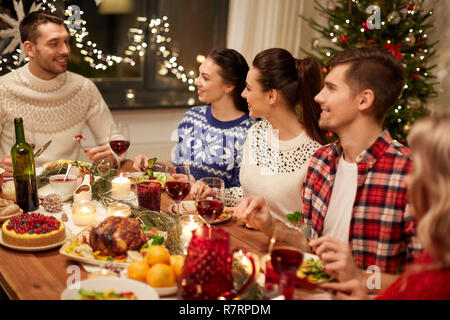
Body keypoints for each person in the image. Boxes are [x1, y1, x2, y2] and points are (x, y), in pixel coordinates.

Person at [233, 47, 423, 290]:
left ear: (363, 100)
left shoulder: (412, 175)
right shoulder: (322, 161)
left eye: (331, 88)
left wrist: (361, 277)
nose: (317, 97)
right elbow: (311, 245)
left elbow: (432, 284)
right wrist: (272, 225)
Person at [319, 114, 450, 300]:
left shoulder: (439, 279)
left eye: (418, 170)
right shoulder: (435, 256)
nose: (408, 179)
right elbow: (406, 286)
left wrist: (362, 278)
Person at [192, 48, 328, 224]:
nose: (243, 94)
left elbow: (314, 231)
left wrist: (270, 227)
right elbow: (255, 192)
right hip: (247, 239)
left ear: (271, 96)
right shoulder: (260, 133)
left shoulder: (316, 156)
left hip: (282, 247)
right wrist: (215, 193)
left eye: (249, 88)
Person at [0, 11, 116, 174]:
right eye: (54, 44)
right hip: (19, 191)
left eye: (66, 42)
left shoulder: (84, 87)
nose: (65, 50)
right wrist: (1, 166)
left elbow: (113, 140)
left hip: (72, 192)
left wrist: (112, 154)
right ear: (30, 49)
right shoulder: (3, 89)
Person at [133, 48, 256, 188]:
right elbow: (178, 168)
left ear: (229, 86)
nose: (197, 81)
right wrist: (152, 165)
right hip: (182, 203)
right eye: (199, 75)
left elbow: (242, 191)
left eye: (205, 78)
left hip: (215, 209)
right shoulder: (192, 116)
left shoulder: (250, 130)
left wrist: (200, 186)